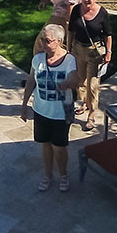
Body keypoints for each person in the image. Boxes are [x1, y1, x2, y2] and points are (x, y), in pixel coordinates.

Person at [21, 23, 79, 193]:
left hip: (61, 113)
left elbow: (75, 78)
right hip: (41, 111)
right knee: (45, 145)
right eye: (41, 40)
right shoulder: (38, 59)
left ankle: (63, 175)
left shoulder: (69, 60)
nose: (42, 43)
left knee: (59, 148)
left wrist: (68, 83)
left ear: (59, 42)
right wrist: (24, 105)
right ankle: (48, 175)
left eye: (46, 40)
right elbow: (31, 81)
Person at [67, 0, 112, 131]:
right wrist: (68, 49)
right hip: (78, 49)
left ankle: (92, 114)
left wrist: (109, 51)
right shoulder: (76, 10)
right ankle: (85, 103)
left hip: (94, 51)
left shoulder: (102, 13)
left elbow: (108, 34)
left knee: (92, 84)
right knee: (80, 80)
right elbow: (71, 31)